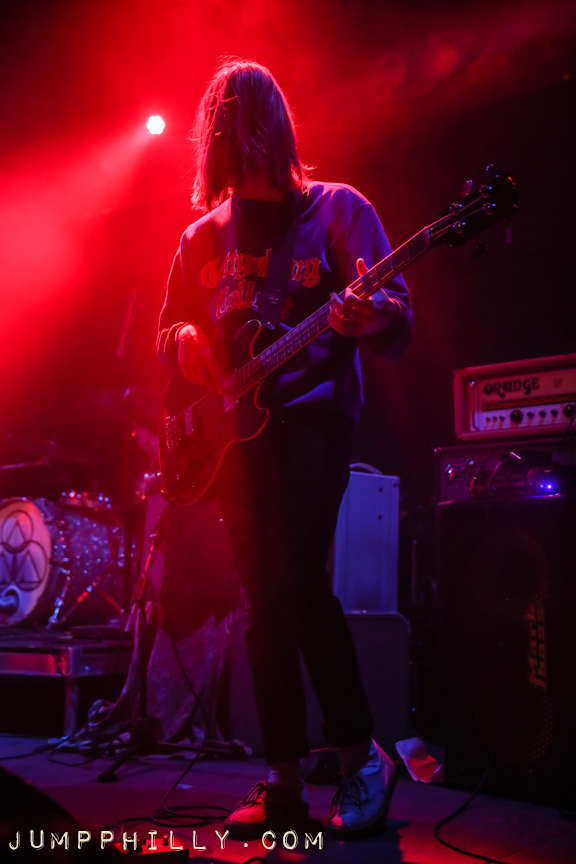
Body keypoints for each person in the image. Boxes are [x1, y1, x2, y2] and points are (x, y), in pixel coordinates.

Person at [157, 58, 413, 840]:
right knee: (262, 605)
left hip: (311, 423)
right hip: (236, 446)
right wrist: (186, 340)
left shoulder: (336, 211)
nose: (230, 148)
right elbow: (163, 338)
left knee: (299, 586)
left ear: (267, 130)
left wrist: (369, 315)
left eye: (240, 131)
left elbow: (396, 311)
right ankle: (285, 780)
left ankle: (362, 759)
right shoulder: (201, 238)